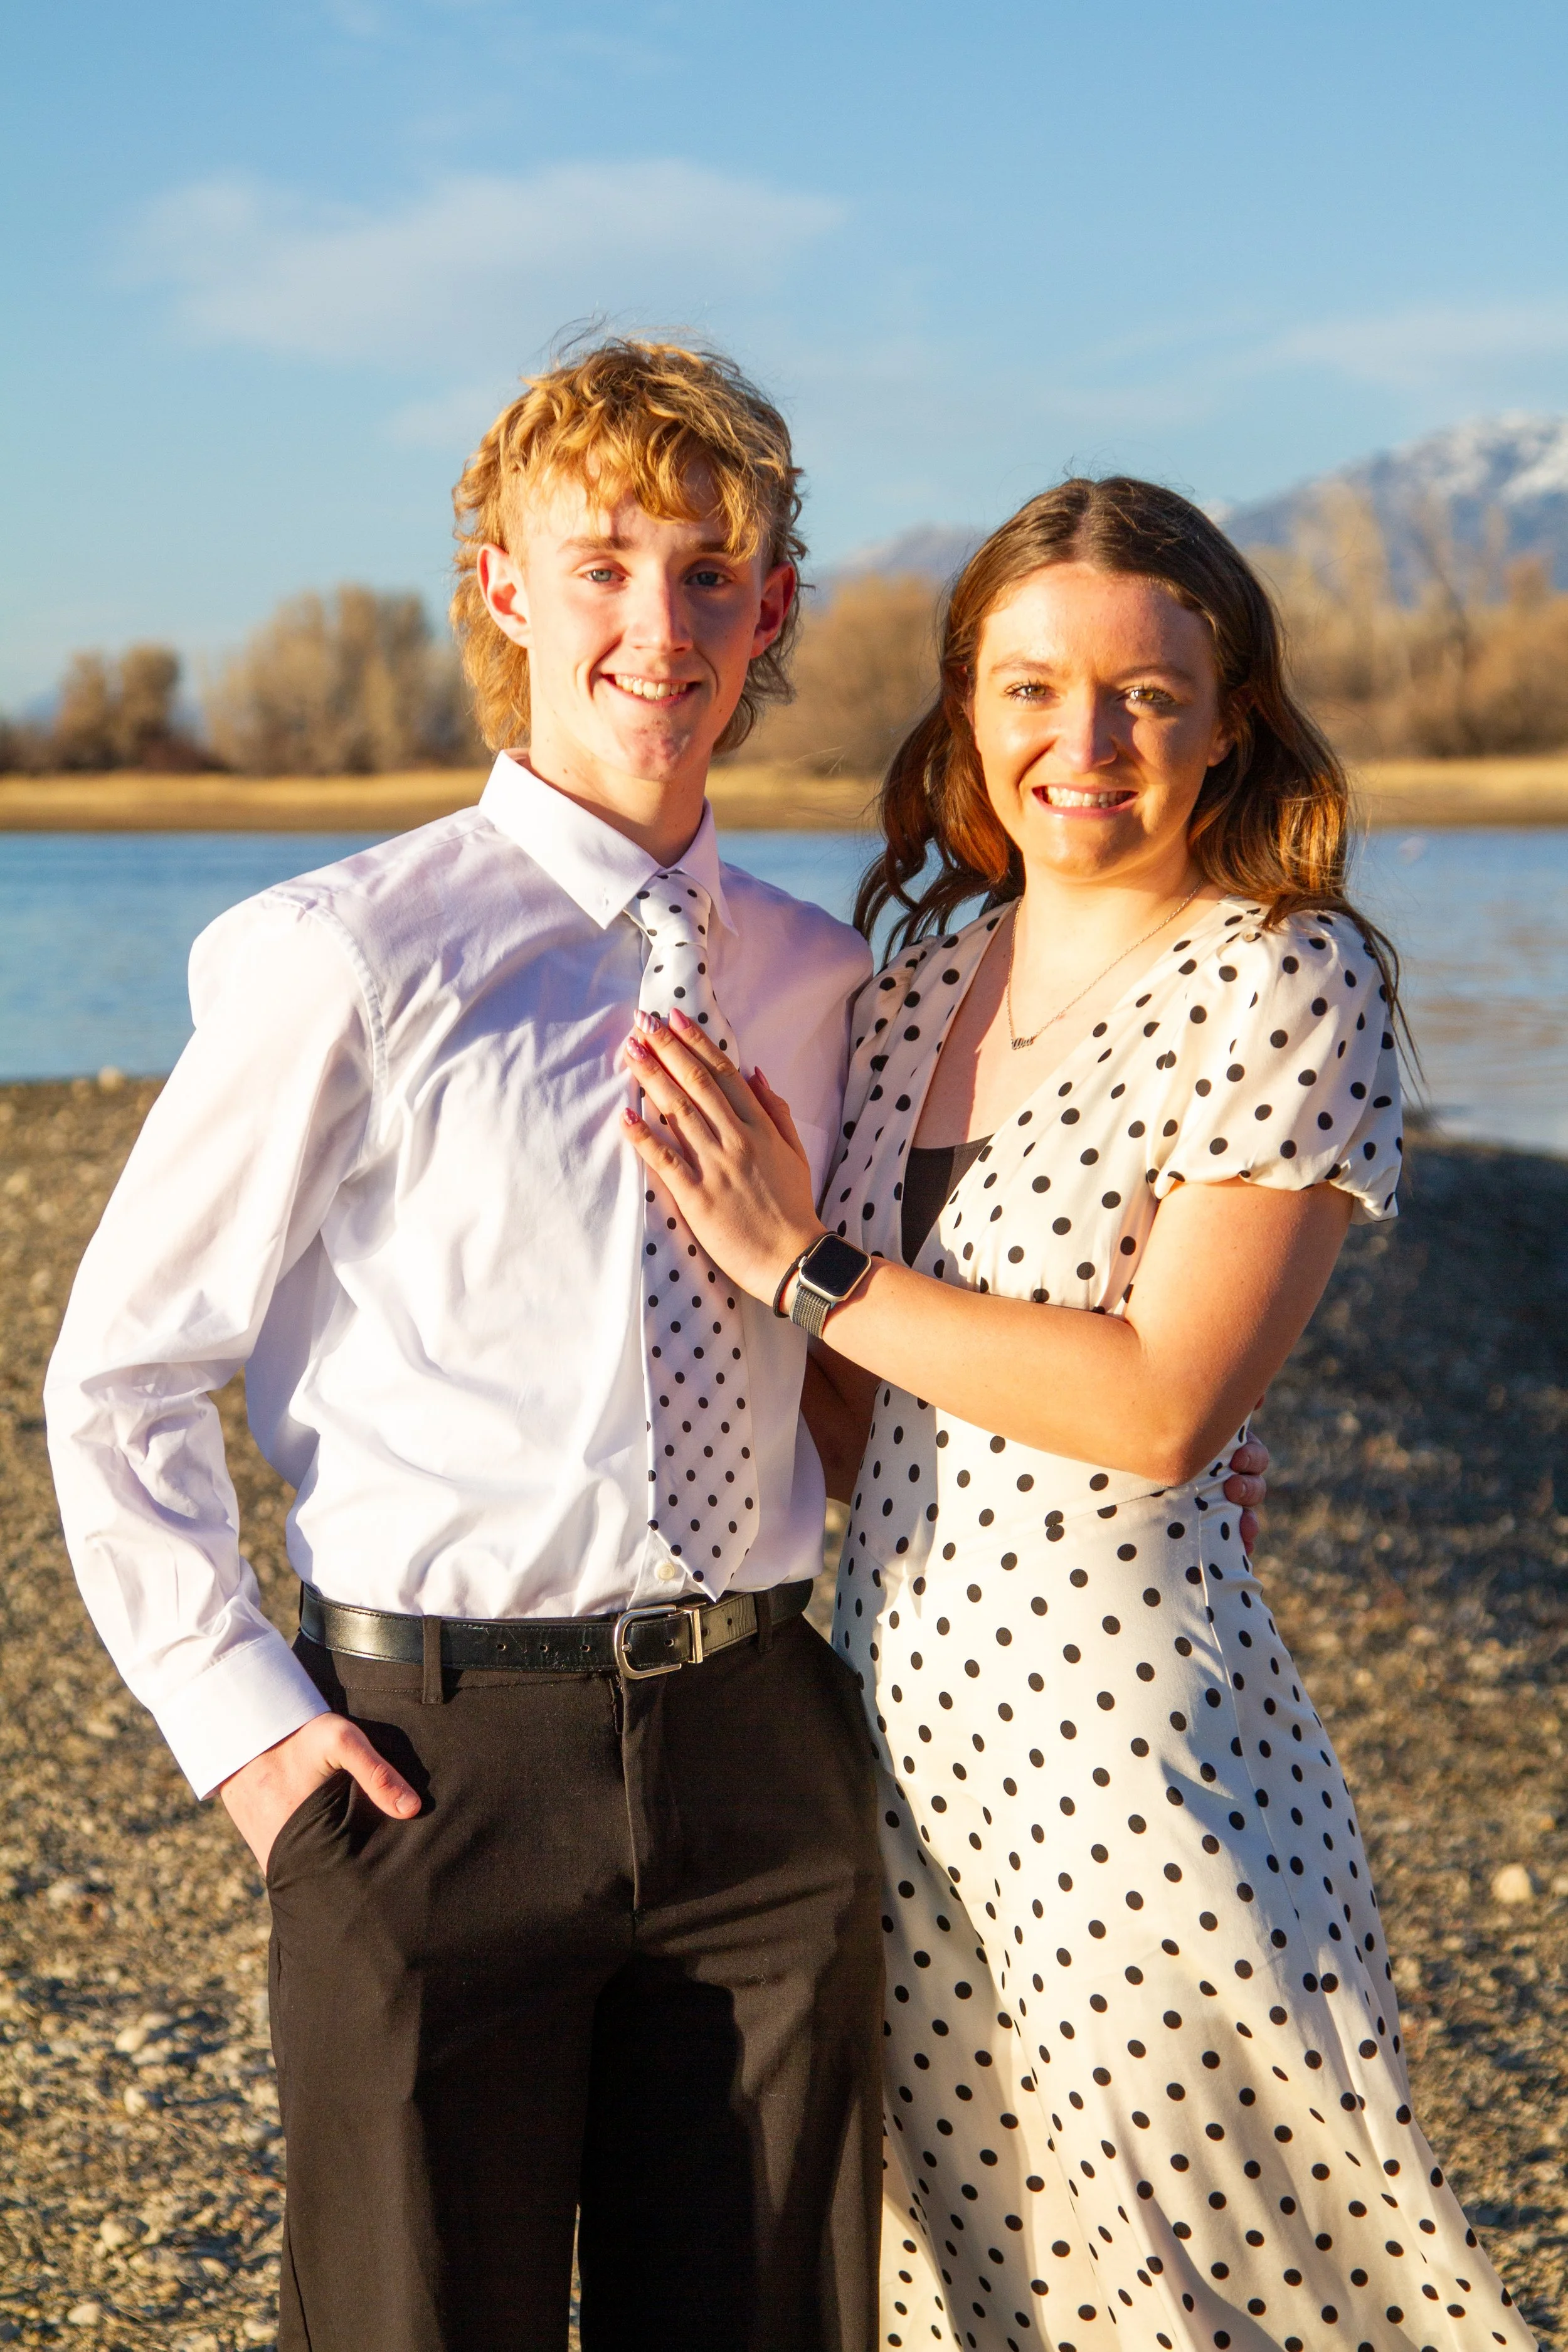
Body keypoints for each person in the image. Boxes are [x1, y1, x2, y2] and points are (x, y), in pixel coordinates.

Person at [618, 476, 1533, 2352]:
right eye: (1030, 686)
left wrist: (805, 1264)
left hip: (1129, 1762)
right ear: (965, 707)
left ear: (1230, 721)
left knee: (1226, 2290)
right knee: (971, 2286)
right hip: (883, 1742)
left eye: (1144, 693)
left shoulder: (1284, 974)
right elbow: (878, 1414)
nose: (1082, 740)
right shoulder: (913, 989)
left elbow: (1165, 1407)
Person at [45, 338, 891, 2352]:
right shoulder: (344, 952)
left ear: (770, 606)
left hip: (763, 1754)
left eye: (709, 570)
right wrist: (253, 1745)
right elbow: (122, 1377)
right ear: (504, 587)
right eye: (600, 561)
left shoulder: (823, 973)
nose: (656, 622)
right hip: (436, 1779)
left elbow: (886, 1343)